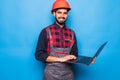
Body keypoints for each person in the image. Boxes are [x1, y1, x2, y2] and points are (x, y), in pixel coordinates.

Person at [35, 0, 96, 80]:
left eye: (65, 13)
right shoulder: (46, 31)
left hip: (68, 75)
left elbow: (74, 55)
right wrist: (60, 59)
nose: (62, 15)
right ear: (54, 13)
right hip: (50, 75)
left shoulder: (72, 33)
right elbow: (39, 55)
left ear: (67, 14)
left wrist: (87, 61)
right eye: (59, 12)